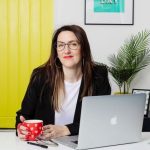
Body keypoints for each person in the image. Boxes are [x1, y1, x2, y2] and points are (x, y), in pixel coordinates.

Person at [16, 25, 111, 140]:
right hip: (46, 143)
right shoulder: (40, 76)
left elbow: (100, 119)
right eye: (61, 45)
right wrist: (20, 127)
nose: (66, 50)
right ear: (56, 51)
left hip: (82, 142)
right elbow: (24, 115)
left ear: (84, 49)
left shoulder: (98, 75)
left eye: (73, 44)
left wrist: (66, 129)